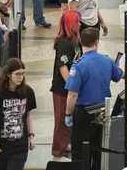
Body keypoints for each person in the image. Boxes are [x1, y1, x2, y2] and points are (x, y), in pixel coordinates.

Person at [65, 27, 123, 170]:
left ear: (80, 41)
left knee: (80, 151)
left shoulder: (79, 65)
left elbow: (72, 94)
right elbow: (119, 75)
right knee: (98, 150)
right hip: (103, 111)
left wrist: (68, 114)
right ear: (97, 42)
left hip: (84, 113)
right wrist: (123, 63)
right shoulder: (107, 60)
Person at [0, 58, 37, 170]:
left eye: (23, 74)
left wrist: (31, 136)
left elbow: (28, 115)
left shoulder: (28, 92)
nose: (21, 77)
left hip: (19, 147)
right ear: (8, 74)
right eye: (17, 74)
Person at [50, 10, 82, 162]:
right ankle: (58, 150)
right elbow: (63, 67)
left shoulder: (74, 41)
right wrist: (72, 85)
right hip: (62, 88)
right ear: (71, 24)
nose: (80, 24)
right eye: (78, 21)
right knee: (62, 118)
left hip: (69, 87)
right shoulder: (64, 43)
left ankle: (64, 144)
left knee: (67, 119)